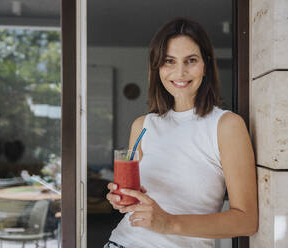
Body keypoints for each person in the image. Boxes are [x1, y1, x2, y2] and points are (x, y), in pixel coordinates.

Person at [105, 17, 258, 248]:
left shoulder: (226, 125)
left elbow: (246, 221)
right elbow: (139, 200)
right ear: (158, 67)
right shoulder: (142, 125)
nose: (180, 71)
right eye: (169, 61)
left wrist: (169, 224)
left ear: (205, 65)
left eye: (191, 60)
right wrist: (123, 200)